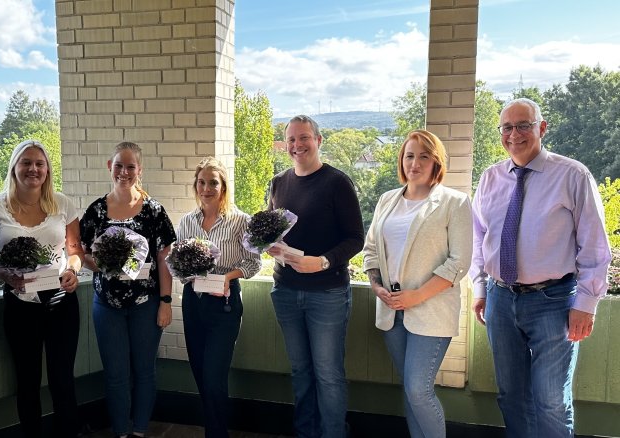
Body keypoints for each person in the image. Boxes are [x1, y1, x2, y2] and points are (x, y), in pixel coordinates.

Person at [469, 98, 611, 437]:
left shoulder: (572, 175)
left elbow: (594, 245)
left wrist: (586, 305)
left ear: (541, 128)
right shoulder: (490, 179)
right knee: (511, 396)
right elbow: (478, 239)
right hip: (500, 299)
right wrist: (480, 288)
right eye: (507, 127)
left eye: (524, 125)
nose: (514, 134)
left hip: (554, 301)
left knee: (550, 400)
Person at [361, 130, 472, 438]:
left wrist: (417, 296)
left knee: (418, 389)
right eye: (409, 155)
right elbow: (371, 251)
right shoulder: (387, 200)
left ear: (436, 162)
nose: (415, 162)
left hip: (431, 311)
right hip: (392, 311)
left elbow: (459, 262)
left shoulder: (455, 202)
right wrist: (376, 286)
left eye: (424, 156)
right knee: (410, 392)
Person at [266, 115, 364, 438]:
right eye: (291, 140)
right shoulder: (278, 183)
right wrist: (269, 245)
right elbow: (273, 229)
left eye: (304, 138)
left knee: (328, 375)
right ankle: (306, 432)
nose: (297, 145)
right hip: (286, 291)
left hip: (328, 294)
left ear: (319, 141)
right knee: (300, 371)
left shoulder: (338, 183)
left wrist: (322, 262)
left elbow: (355, 239)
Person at [0, 139, 83, 438]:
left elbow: (75, 250)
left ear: (48, 169)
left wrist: (72, 270)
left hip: (61, 301)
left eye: (40, 163)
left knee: (62, 380)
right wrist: (3, 275)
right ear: (14, 167)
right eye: (26, 162)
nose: (33, 169)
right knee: (26, 382)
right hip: (19, 304)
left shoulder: (62, 203)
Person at [80, 142, 176, 438]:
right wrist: (104, 267)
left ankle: (140, 431)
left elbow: (165, 258)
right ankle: (121, 431)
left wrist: (166, 301)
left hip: (146, 303)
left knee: (145, 371)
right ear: (110, 166)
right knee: (116, 374)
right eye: (119, 165)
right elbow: (81, 253)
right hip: (106, 305)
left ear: (139, 170)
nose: (124, 172)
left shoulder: (154, 211)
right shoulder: (96, 210)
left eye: (130, 166)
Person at [176, 157, 261, 438]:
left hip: (224, 303)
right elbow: (177, 265)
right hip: (194, 302)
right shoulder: (187, 222)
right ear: (195, 186)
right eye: (202, 182)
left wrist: (227, 276)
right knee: (200, 373)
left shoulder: (240, 221)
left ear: (223, 186)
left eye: (213, 182)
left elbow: (254, 262)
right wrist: (186, 272)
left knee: (214, 378)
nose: (207, 188)